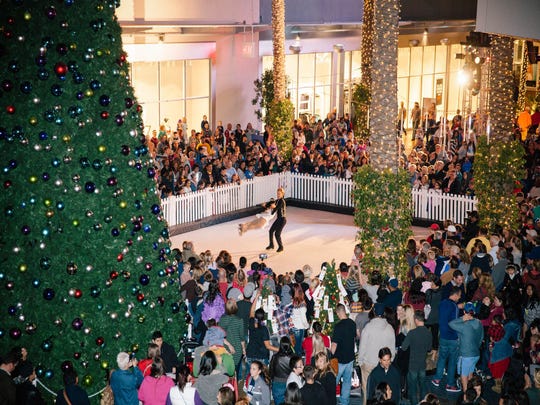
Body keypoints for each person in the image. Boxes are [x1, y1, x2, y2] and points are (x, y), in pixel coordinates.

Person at [358, 303, 396, 405]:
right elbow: (392, 349)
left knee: (367, 390)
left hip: (368, 364)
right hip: (383, 365)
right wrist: (389, 362)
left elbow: (362, 347)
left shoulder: (368, 328)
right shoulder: (390, 328)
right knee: (383, 391)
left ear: (373, 312)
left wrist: (360, 362)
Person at [432, 285, 462, 393]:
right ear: (456, 294)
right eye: (459, 296)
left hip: (443, 336)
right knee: (453, 361)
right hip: (452, 337)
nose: (459, 298)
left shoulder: (442, 303)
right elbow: (454, 323)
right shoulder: (454, 306)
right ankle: (450, 384)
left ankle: (437, 378)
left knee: (442, 358)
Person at [449, 302, 484, 393]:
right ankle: (473, 392)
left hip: (466, 355)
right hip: (476, 354)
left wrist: (462, 319)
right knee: (470, 375)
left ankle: (466, 395)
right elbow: (481, 338)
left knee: (463, 376)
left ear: (464, 312)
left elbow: (451, 324)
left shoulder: (464, 325)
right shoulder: (479, 323)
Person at [400, 310, 433, 404]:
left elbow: (403, 347)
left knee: (413, 388)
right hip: (422, 364)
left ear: (416, 320)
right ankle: (423, 402)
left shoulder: (412, 333)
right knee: (422, 386)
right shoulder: (428, 333)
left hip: (412, 365)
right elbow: (429, 349)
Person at [331, 303, 357, 405]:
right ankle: (344, 402)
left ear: (338, 313)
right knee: (347, 382)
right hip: (350, 357)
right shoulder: (352, 323)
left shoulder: (338, 326)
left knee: (333, 382)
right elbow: (353, 339)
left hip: (339, 360)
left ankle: (331, 401)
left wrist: (331, 355)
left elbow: (334, 345)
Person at [219, 299, 246, 379]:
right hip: (237, 350)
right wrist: (244, 349)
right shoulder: (240, 320)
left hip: (224, 348)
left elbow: (219, 336)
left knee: (224, 371)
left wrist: (228, 345)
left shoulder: (222, 320)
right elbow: (241, 337)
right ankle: (235, 387)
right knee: (235, 372)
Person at [269, 336, 294, 405]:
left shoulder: (275, 357)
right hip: (290, 383)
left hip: (277, 384)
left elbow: (271, 371)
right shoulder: (293, 357)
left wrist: (271, 382)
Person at [266, 187, 287, 252]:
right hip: (279, 219)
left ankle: (281, 247)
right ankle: (271, 245)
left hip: (282, 220)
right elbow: (273, 209)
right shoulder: (277, 200)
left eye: (279, 194)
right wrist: (268, 207)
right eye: (277, 194)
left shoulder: (282, 201)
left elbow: (276, 208)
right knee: (271, 231)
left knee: (277, 234)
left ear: (283, 194)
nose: (278, 195)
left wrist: (273, 208)